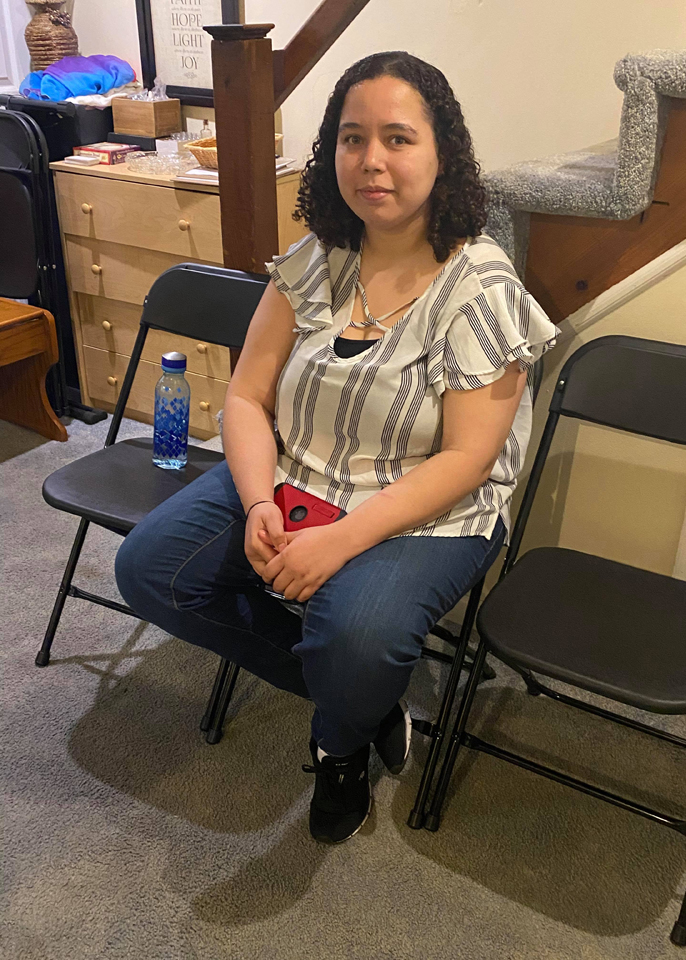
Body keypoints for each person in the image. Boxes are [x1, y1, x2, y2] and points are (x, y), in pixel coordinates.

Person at [115, 51, 560, 845]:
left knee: (357, 635)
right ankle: (365, 702)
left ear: (443, 154)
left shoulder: (481, 288)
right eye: (353, 138)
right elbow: (247, 397)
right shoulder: (318, 258)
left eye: (398, 138)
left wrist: (342, 541)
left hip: (429, 507)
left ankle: (340, 741)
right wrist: (259, 500)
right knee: (151, 569)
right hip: (299, 473)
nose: (371, 160)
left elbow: (466, 460)